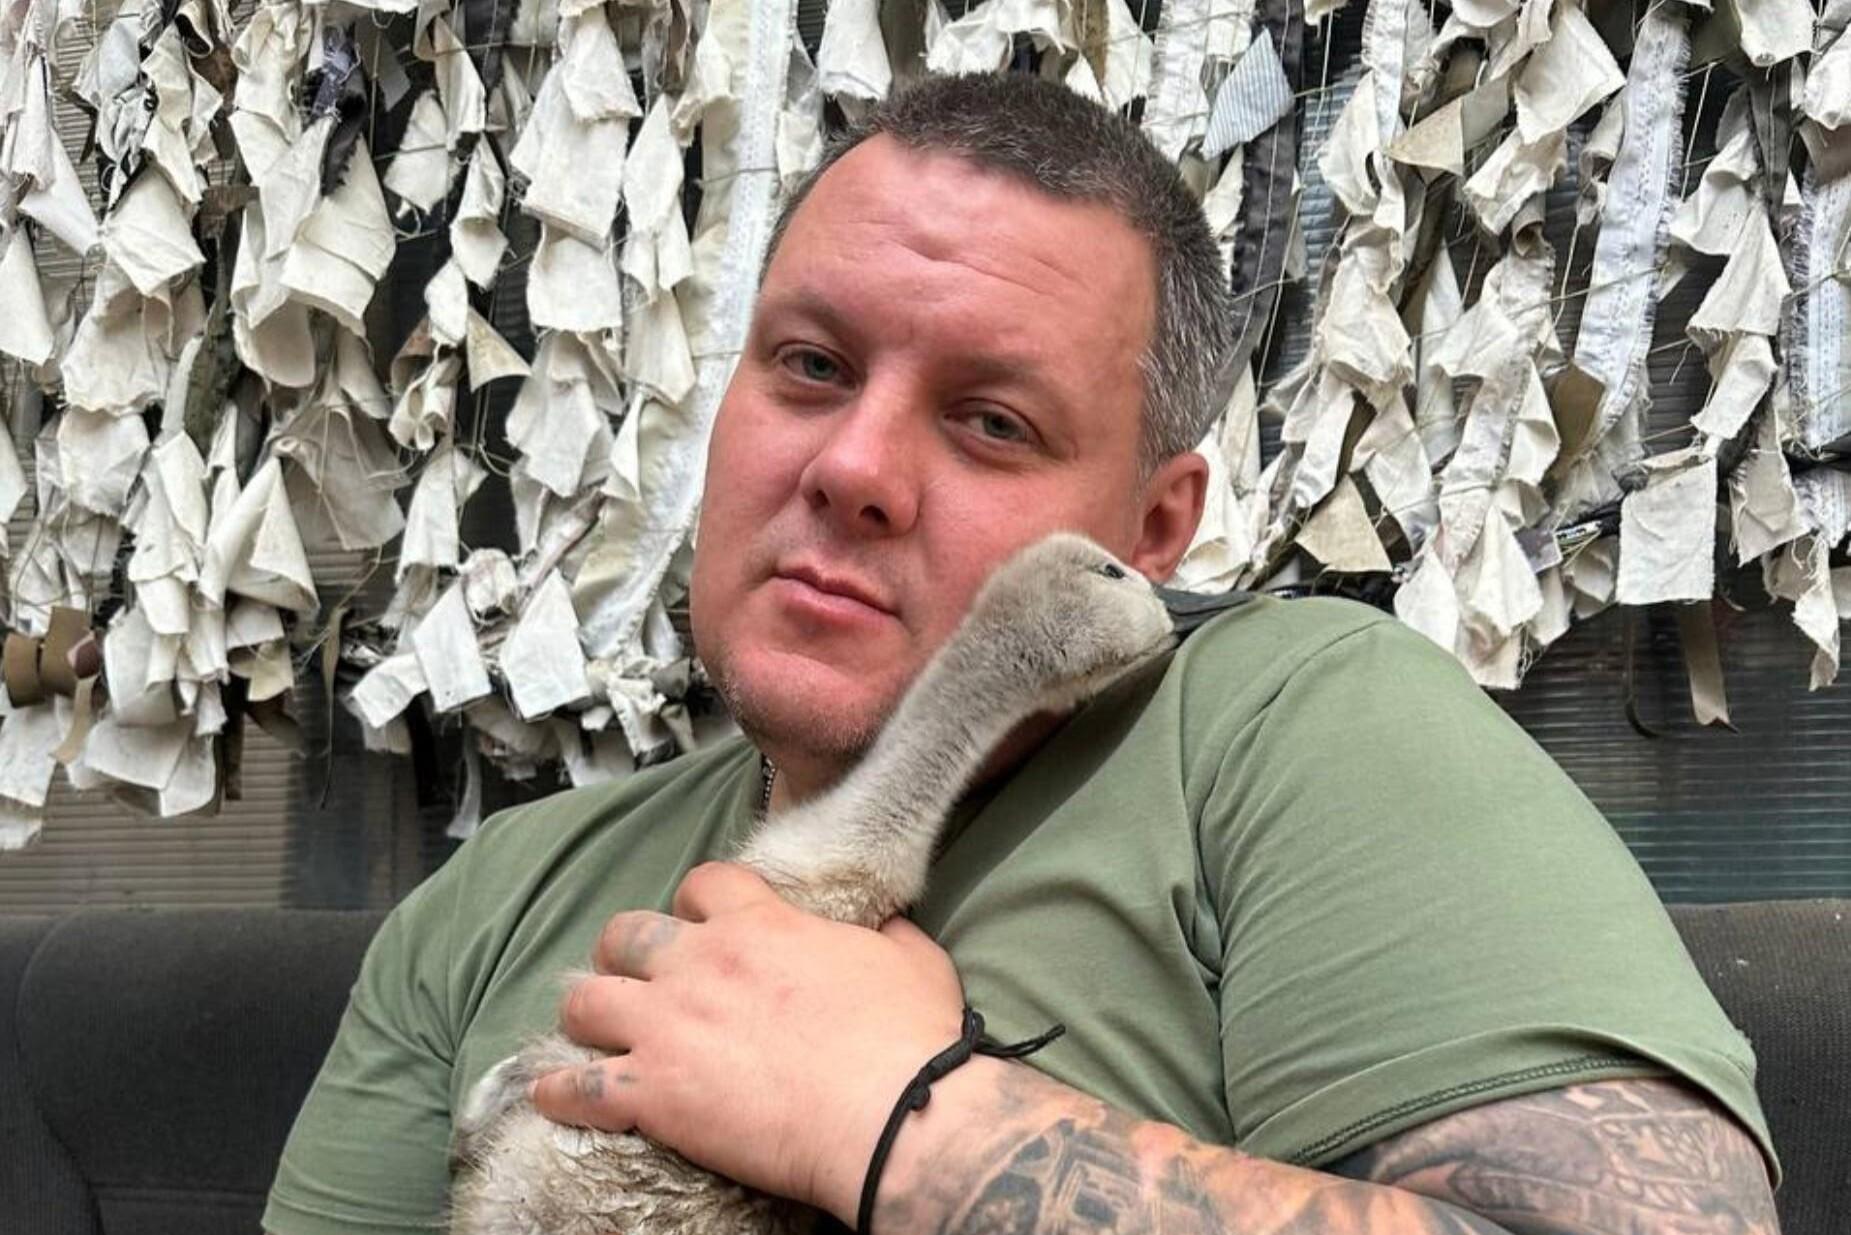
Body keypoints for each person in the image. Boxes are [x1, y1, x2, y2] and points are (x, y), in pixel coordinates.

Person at [265, 73, 1780, 1235]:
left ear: (1156, 524)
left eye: (992, 422)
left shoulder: (1300, 727)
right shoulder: (488, 903)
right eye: (811, 365)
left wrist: (901, 1118)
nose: (855, 467)